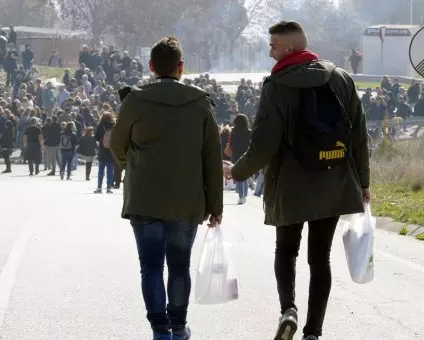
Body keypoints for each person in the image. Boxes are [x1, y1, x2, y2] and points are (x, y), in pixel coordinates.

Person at [225, 21, 370, 340]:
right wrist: (363, 181)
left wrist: (236, 172)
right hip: (333, 178)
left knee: (286, 250)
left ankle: (288, 309)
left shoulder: (276, 85)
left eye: (273, 46)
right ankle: (313, 332)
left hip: (290, 183)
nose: (269, 52)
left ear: (289, 48)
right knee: (321, 258)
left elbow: (264, 144)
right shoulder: (340, 78)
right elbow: (358, 133)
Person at [109, 36, 224, 340]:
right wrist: (215, 205)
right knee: (179, 266)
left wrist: (132, 161)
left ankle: (160, 330)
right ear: (181, 67)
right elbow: (212, 157)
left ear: (150, 66)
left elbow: (117, 144)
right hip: (186, 201)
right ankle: (179, 325)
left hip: (145, 197)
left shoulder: (135, 100)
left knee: (150, 267)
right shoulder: (200, 103)